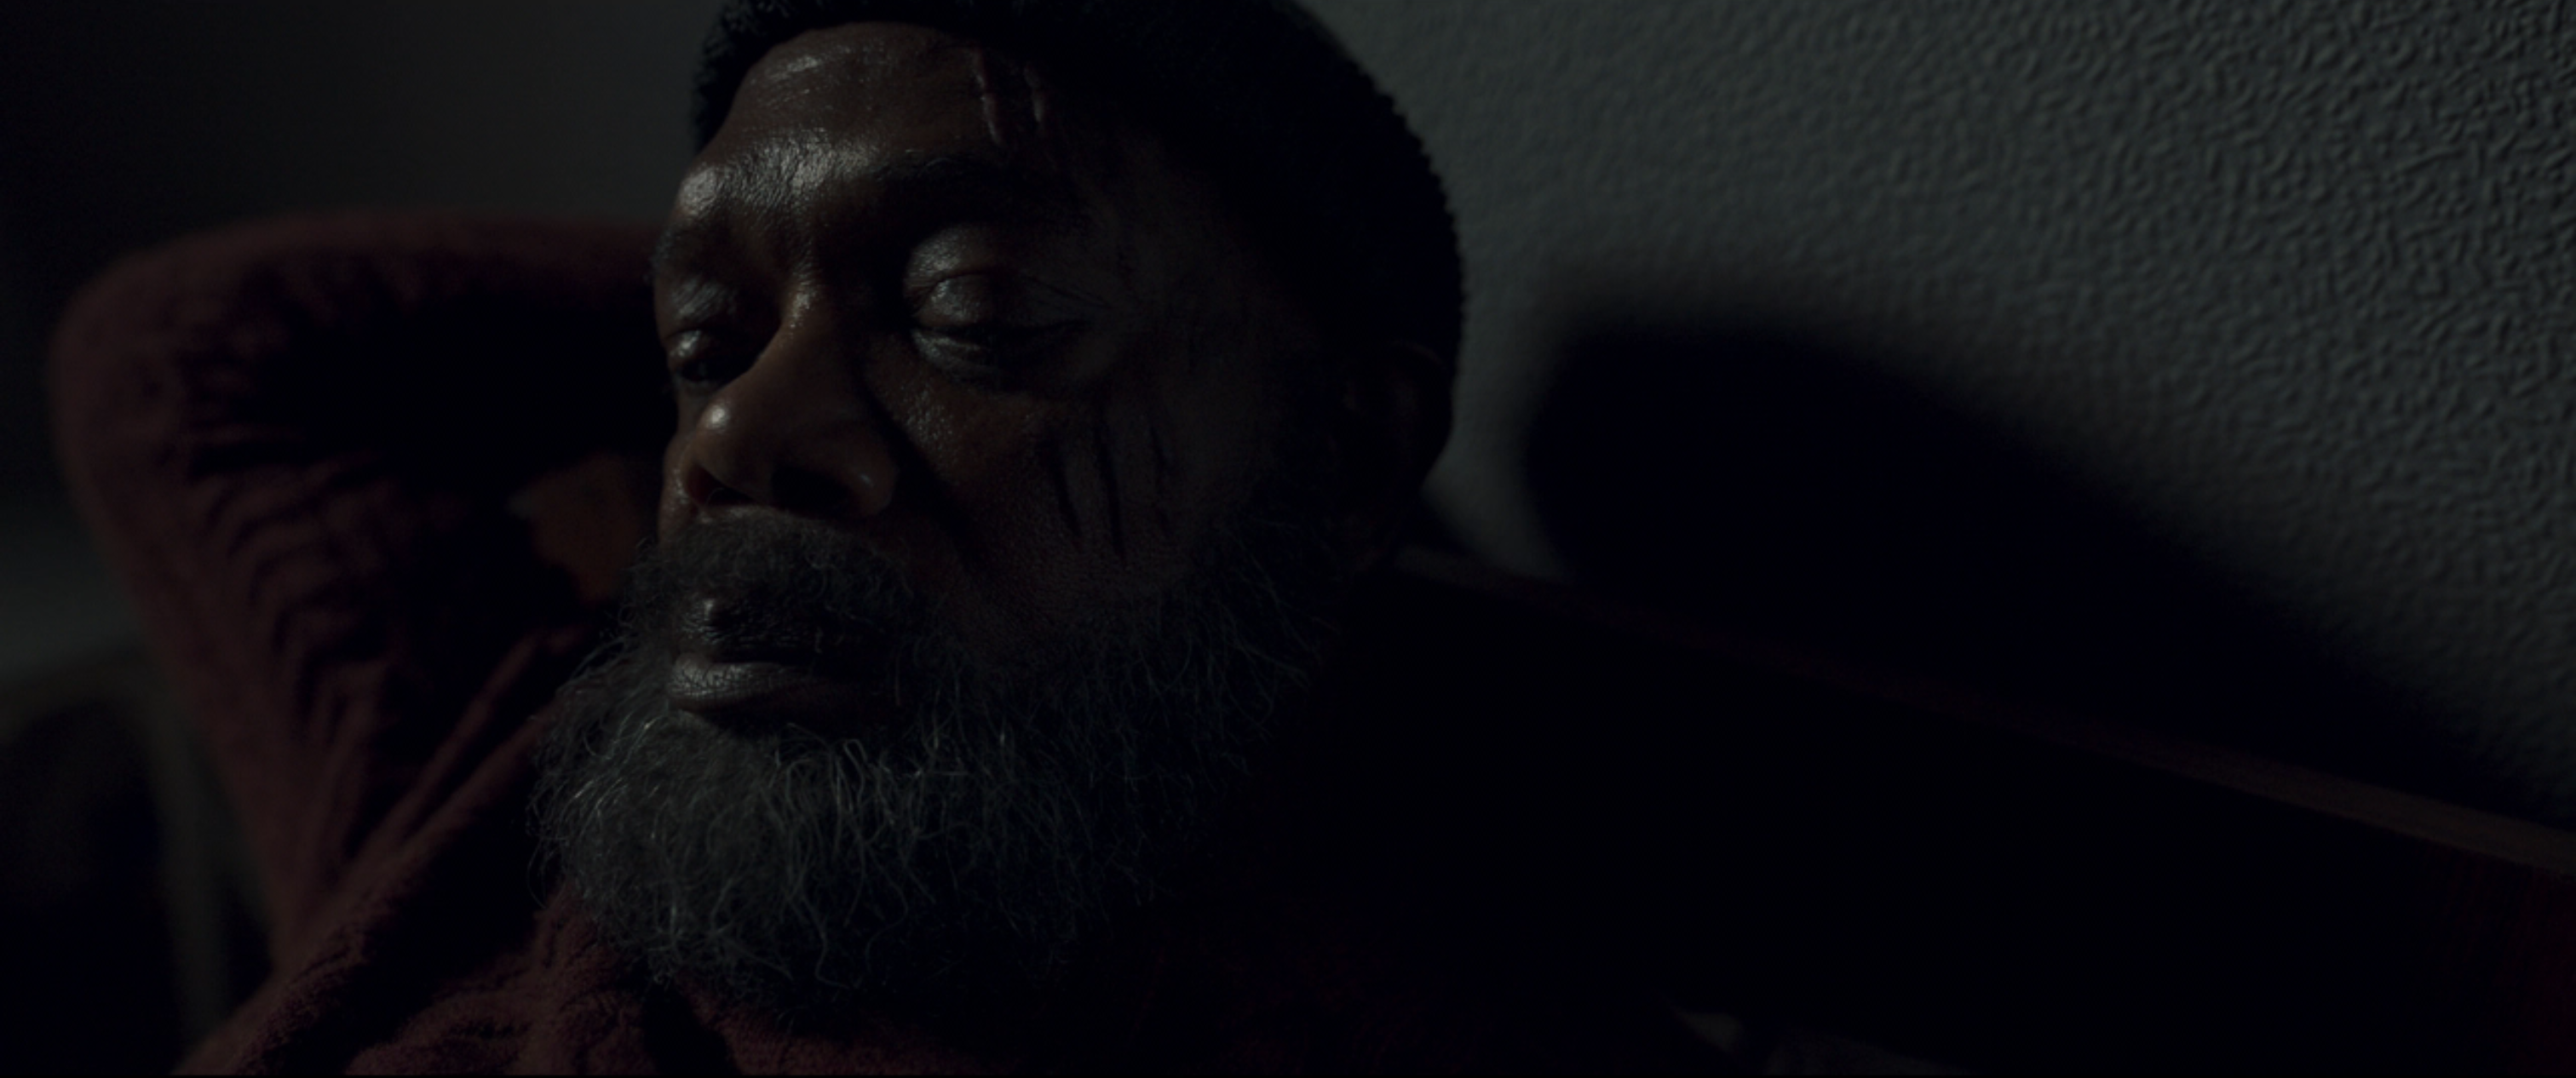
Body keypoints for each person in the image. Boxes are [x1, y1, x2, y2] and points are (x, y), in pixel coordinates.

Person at [56, 0, 1731, 1070]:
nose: (727, 441)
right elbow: (185, 359)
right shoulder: (507, 778)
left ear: (1346, 452)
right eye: (702, 351)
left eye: (975, 312)